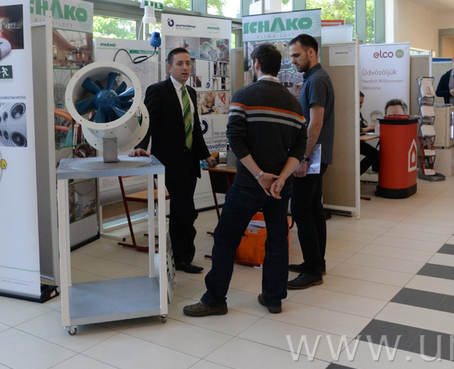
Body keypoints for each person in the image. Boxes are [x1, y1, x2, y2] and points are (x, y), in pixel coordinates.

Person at [183, 44, 307, 317]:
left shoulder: (244, 96)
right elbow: (300, 148)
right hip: (279, 187)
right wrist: (280, 178)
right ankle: (274, 299)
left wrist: (260, 175)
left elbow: (235, 139)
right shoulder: (294, 105)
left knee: (226, 238)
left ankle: (215, 299)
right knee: (277, 241)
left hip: (249, 185)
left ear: (257, 64)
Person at [130, 47, 217, 274]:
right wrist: (140, 146)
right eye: (179, 64)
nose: (185, 67)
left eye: (188, 63)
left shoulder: (192, 93)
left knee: (181, 211)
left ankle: (180, 257)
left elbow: (194, 129)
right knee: (186, 210)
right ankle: (183, 256)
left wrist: (205, 154)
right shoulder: (158, 91)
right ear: (169, 67)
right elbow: (147, 123)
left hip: (190, 162)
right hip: (169, 163)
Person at [287, 34, 335, 290]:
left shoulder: (316, 80)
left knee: (301, 209)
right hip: (317, 155)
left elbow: (315, 124)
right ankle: (316, 262)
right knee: (314, 208)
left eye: (296, 55)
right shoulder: (315, 78)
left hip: (312, 157)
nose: (293, 60)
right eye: (291, 56)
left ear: (311, 52)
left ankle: (313, 270)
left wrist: (302, 158)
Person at [359, 92, 379, 176]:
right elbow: (351, 129)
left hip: (359, 141)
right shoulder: (349, 114)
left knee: (376, 154)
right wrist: (364, 129)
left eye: (362, 103)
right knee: (374, 154)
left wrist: (370, 128)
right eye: (360, 103)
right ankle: (356, 174)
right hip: (352, 143)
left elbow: (362, 126)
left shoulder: (358, 113)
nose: (361, 105)